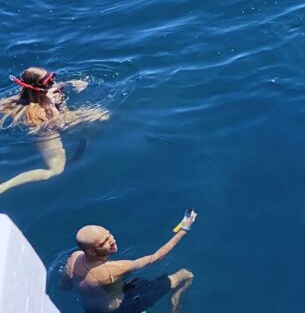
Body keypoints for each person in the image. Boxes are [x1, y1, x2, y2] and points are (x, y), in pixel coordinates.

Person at [0, 67, 109, 195]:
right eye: (50, 82)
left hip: (55, 118)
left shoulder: (41, 92)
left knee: (101, 115)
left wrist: (71, 83)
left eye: (53, 78)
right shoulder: (36, 111)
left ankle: (85, 142)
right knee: (56, 170)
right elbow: (57, 125)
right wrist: (49, 105)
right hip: (44, 131)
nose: (54, 83)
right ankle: (5, 186)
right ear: (38, 88)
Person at [61, 211, 197, 313]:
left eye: (109, 235)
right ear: (90, 251)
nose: (112, 241)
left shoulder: (75, 257)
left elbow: (65, 286)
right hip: (122, 307)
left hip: (93, 310)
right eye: (104, 242)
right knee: (186, 275)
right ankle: (175, 300)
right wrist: (184, 229)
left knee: (136, 283)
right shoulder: (115, 269)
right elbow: (156, 257)